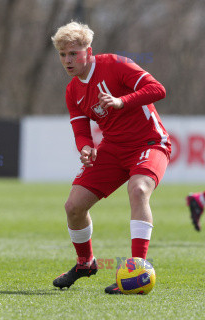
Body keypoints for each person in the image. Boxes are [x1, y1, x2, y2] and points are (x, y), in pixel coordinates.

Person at [50, 22, 170, 294]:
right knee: (73, 207)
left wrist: (121, 101)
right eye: (63, 55)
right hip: (113, 148)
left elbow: (158, 89)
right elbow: (80, 130)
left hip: (150, 142)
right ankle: (85, 263)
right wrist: (85, 147)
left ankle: (138, 268)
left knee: (138, 190)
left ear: (88, 51)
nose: (68, 60)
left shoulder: (116, 64)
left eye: (74, 53)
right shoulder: (73, 90)